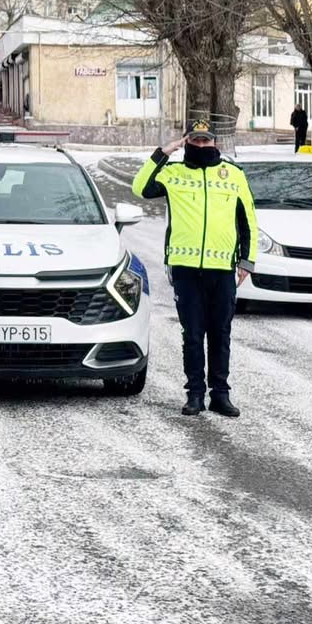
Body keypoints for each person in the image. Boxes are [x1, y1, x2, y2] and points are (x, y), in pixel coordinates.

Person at [132, 119, 258, 418]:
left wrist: (246, 261)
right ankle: (195, 394)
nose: (201, 145)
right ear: (187, 142)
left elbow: (248, 220)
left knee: (220, 333)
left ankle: (220, 394)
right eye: (196, 140)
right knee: (192, 334)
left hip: (222, 269)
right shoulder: (173, 174)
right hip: (186, 269)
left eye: (206, 140)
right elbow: (140, 188)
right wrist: (164, 152)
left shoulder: (233, 175)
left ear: (216, 142)